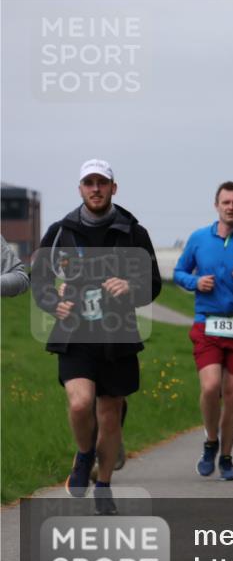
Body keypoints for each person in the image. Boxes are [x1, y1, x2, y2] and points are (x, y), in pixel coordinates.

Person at [32, 159, 161, 515]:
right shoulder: (61, 231)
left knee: (109, 413)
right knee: (79, 403)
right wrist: (51, 302)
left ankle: (103, 484)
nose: (95, 188)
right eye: (88, 183)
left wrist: (130, 287)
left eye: (101, 182)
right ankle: (84, 452)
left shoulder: (133, 232)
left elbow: (151, 285)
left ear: (113, 188)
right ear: (80, 189)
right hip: (74, 333)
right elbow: (39, 279)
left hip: (117, 336)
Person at [174, 182, 233, 481]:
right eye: (226, 202)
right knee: (211, 387)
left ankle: (225, 457)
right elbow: (179, 272)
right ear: (217, 205)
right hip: (207, 321)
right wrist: (195, 283)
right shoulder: (199, 238)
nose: (231, 207)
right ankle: (210, 441)